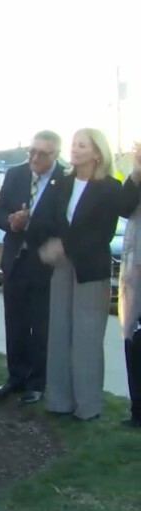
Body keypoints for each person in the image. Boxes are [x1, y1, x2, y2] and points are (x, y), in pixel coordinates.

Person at [37, 128, 140, 421]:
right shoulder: (63, 183)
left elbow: (109, 225)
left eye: (82, 145)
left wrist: (136, 171)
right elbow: (51, 219)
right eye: (74, 144)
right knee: (59, 332)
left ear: (96, 152)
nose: (75, 149)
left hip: (91, 268)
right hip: (62, 266)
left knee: (86, 338)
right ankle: (59, 401)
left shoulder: (109, 187)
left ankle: (88, 406)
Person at [0, 130, 65, 405]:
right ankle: (15, 377)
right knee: (15, 322)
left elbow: (64, 223)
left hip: (43, 263)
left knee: (40, 326)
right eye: (31, 151)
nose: (33, 157)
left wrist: (29, 222)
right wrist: (11, 221)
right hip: (15, 261)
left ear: (55, 154)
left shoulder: (64, 180)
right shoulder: (16, 174)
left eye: (42, 153)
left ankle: (37, 382)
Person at [118, 141, 141, 428]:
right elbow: (123, 208)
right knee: (134, 339)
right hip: (135, 267)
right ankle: (138, 411)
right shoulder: (136, 178)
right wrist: (136, 174)